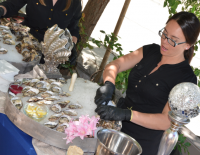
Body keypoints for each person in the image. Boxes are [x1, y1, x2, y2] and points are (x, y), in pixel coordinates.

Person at [94, 11, 200, 155]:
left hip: (143, 144)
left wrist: (127, 114)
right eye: (164, 34)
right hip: (116, 129)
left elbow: (166, 121)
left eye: (173, 40)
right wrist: (108, 84)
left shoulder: (186, 79)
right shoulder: (150, 50)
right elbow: (115, 65)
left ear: (187, 45)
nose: (164, 41)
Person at [0, 0, 82, 65]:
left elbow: (73, 29)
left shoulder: (75, 2)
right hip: (25, 44)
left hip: (49, 54)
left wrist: (72, 46)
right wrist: (1, 10)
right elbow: (11, 5)